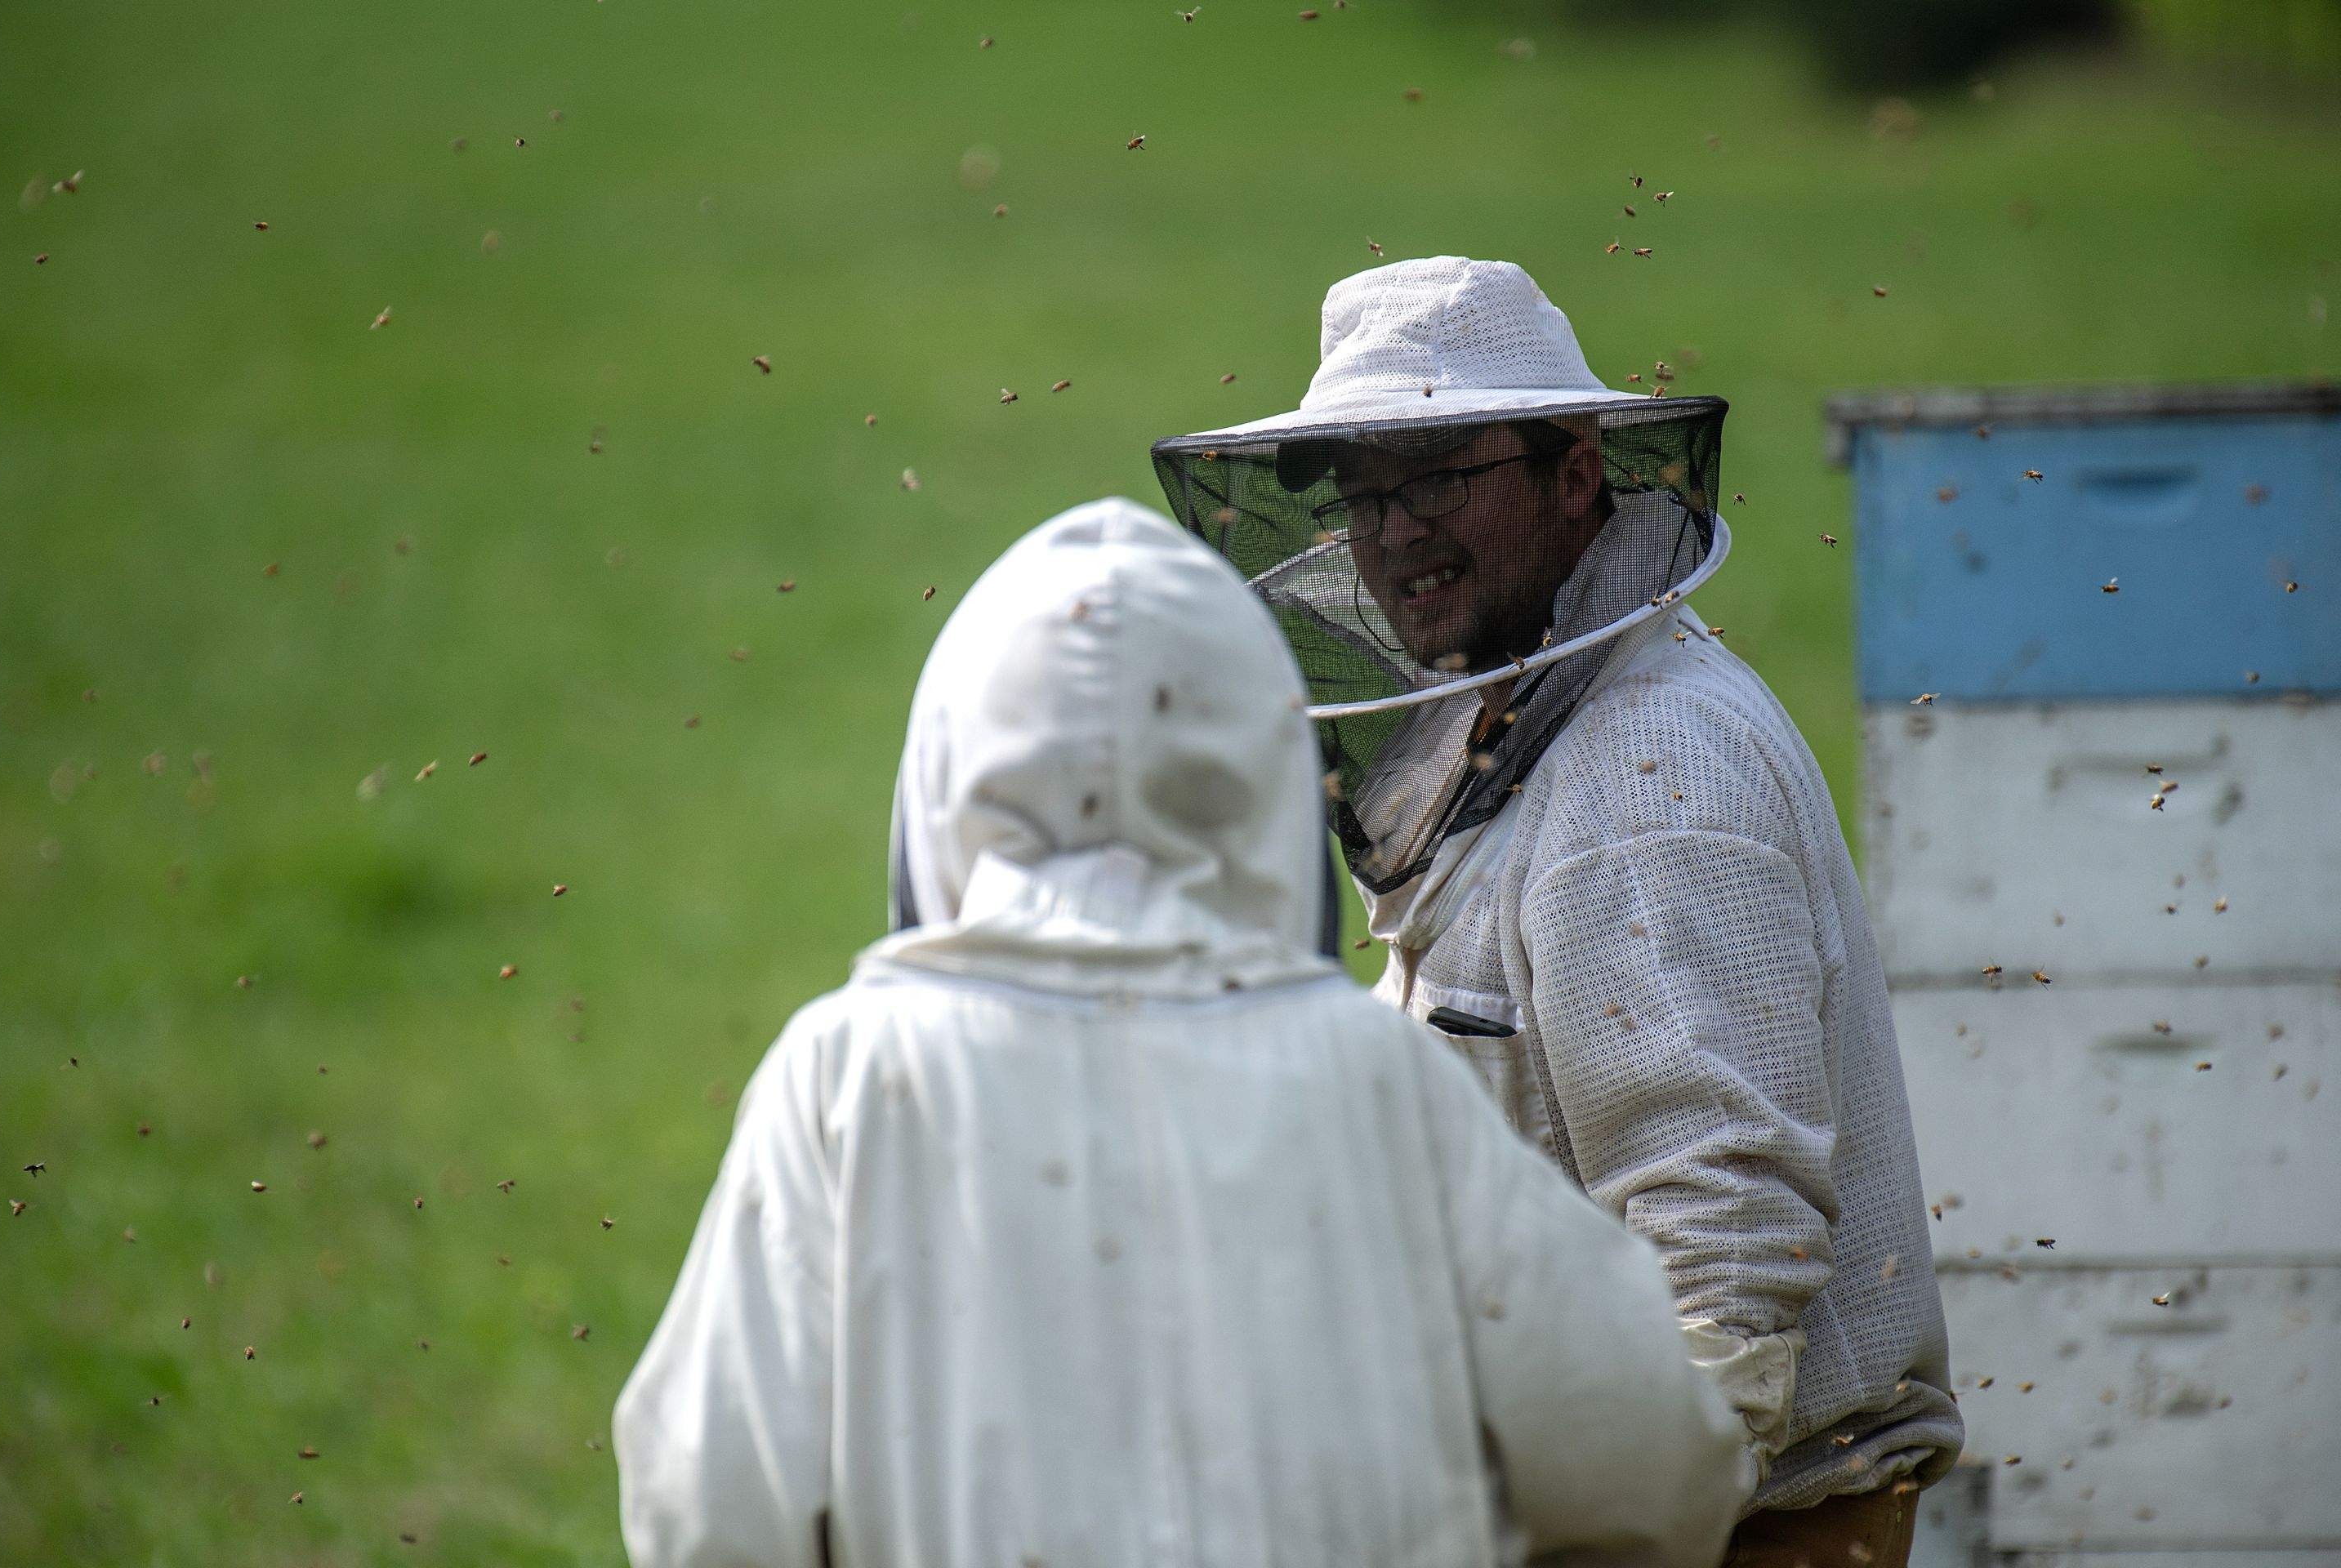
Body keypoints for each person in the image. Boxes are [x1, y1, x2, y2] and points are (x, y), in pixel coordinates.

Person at [613, 497, 1749, 1568]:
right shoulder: (1373, 1077)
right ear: (1257, 769)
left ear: (952, 772)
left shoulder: (848, 1075)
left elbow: (706, 1508)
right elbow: (1655, 1462)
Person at [1153, 257, 1964, 1566]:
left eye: (1433, 479)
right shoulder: (1519, 719)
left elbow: (1725, 1270)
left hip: (1740, 1526)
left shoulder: (1650, 782)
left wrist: (1608, 1524)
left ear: (1574, 467)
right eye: (1364, 496)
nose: (1392, 536)